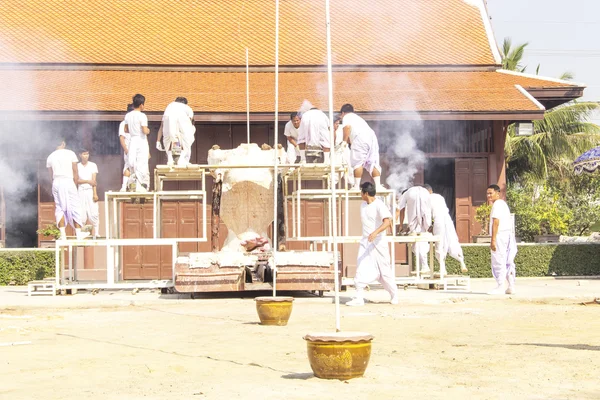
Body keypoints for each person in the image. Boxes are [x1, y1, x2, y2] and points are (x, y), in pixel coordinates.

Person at [346, 182, 398, 306]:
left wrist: (375, 232)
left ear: (366, 193)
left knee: (385, 271)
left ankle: (394, 294)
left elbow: (387, 222)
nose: (360, 194)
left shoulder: (379, 204)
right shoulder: (363, 205)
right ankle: (359, 297)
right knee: (361, 267)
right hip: (365, 242)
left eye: (361, 192)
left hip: (379, 242)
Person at [46, 138, 89, 240]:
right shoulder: (70, 153)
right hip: (68, 181)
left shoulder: (50, 157)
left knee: (59, 208)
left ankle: (63, 234)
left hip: (56, 182)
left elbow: (50, 175)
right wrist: (74, 184)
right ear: (63, 143)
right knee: (75, 206)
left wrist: (54, 186)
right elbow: (75, 170)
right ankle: (78, 233)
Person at [425, 184, 468, 275]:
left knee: (439, 243)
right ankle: (462, 262)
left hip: (438, 220)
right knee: (452, 239)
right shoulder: (440, 197)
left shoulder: (427, 199)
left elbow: (428, 215)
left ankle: (443, 268)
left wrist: (428, 226)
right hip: (448, 219)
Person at [339, 104, 382, 191]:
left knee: (357, 163)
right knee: (372, 162)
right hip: (372, 137)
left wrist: (343, 142)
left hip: (360, 138)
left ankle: (356, 186)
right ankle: (378, 186)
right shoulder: (358, 118)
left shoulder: (347, 117)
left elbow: (347, 128)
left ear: (343, 113)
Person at [486, 184, 517, 295]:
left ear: (497, 193)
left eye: (491, 193)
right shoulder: (503, 204)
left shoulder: (497, 205)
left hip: (500, 236)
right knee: (508, 261)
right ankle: (511, 286)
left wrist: (493, 239)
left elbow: (496, 222)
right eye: (487, 193)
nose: (488, 196)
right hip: (508, 235)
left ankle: (500, 286)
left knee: (498, 260)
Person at [396, 185, 432, 273]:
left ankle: (424, 266)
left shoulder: (406, 194)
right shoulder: (424, 191)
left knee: (418, 243)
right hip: (424, 223)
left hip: (416, 226)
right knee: (421, 238)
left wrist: (400, 225)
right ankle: (424, 266)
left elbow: (401, 210)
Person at [156, 97, 196, 166]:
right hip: (181, 119)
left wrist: (158, 141)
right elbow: (190, 122)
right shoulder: (187, 107)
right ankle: (181, 159)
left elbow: (162, 126)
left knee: (172, 138)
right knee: (187, 136)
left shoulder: (170, 106)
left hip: (168, 118)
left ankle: (170, 159)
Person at [124, 94, 150, 191]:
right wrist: (148, 131)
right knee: (142, 163)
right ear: (141, 105)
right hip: (141, 140)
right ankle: (141, 186)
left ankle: (132, 185)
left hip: (132, 140)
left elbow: (126, 130)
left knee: (132, 162)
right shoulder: (142, 116)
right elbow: (144, 130)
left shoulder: (128, 115)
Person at [77, 149, 99, 239]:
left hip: (90, 190)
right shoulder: (77, 166)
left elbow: (94, 181)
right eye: (84, 154)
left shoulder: (93, 165)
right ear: (80, 155)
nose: (86, 156)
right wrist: (86, 181)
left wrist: (95, 193)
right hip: (81, 191)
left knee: (93, 212)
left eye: (87, 154)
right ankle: (81, 233)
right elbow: (76, 180)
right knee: (81, 212)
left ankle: (96, 232)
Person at [118, 103, 135, 192]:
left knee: (138, 169)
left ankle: (135, 187)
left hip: (138, 149)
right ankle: (124, 187)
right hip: (129, 149)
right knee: (128, 167)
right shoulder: (123, 123)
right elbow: (122, 138)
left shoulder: (137, 122)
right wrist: (126, 150)